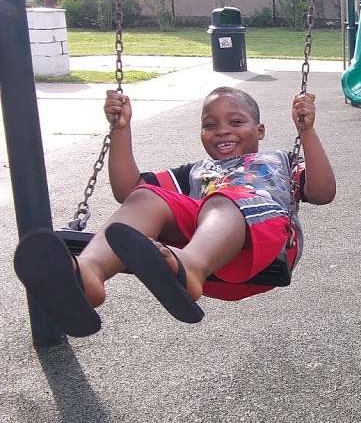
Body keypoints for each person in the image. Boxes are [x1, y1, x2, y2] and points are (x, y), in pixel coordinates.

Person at [13, 86, 336, 337]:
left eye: (236, 122)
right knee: (147, 196)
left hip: (262, 246)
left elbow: (322, 192)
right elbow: (128, 191)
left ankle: (190, 266)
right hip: (205, 259)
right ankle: (88, 275)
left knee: (226, 198)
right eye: (210, 125)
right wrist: (121, 129)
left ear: (260, 130)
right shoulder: (193, 173)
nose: (222, 130)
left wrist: (306, 133)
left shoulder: (278, 161)